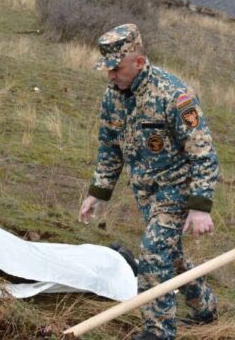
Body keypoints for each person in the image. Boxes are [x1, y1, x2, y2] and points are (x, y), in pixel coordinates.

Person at [79, 24, 218, 340]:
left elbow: (204, 153)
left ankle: (159, 331)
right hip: (145, 191)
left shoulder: (173, 95)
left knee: (154, 254)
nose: (111, 76)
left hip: (177, 188)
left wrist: (199, 207)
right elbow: (109, 147)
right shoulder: (113, 97)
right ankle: (206, 308)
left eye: (116, 68)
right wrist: (97, 193)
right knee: (170, 254)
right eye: (107, 69)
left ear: (139, 63)